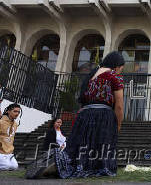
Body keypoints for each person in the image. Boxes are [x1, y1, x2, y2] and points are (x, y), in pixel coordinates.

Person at [26, 51, 125, 179]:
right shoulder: (114, 76)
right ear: (117, 66)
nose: (121, 71)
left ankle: (58, 164)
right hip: (102, 114)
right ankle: (89, 166)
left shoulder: (92, 75)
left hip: (85, 114)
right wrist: (118, 124)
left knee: (81, 146)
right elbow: (119, 105)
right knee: (100, 146)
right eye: (121, 68)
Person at [0, 102, 21, 171]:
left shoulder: (15, 124)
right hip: (1, 152)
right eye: (15, 111)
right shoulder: (1, 122)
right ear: (8, 111)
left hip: (9, 153)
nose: (17, 113)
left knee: (14, 167)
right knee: (6, 166)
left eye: (18, 112)